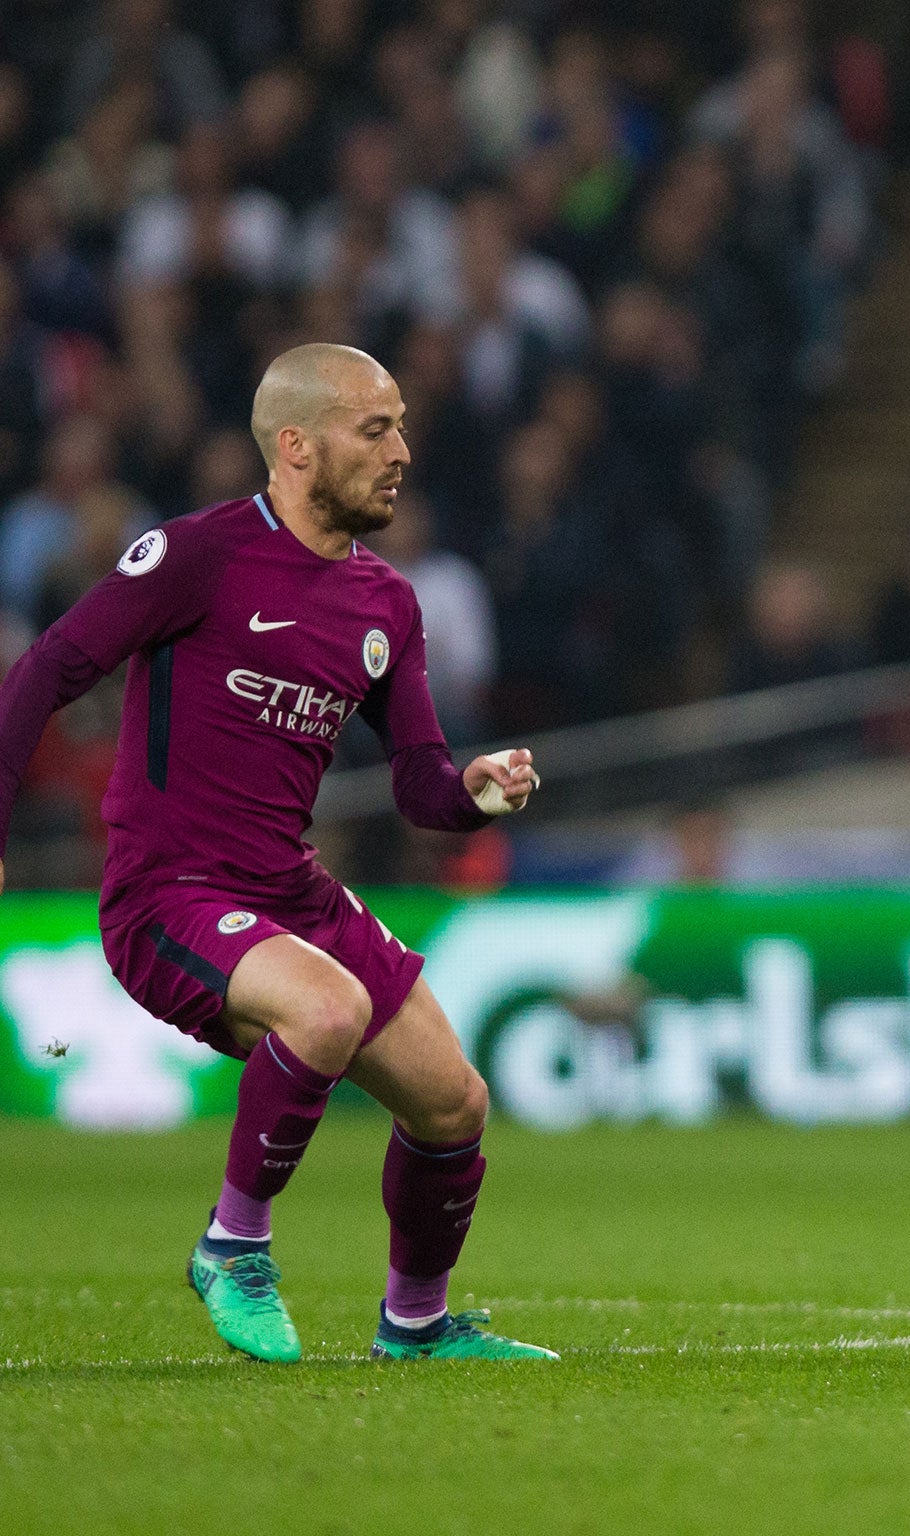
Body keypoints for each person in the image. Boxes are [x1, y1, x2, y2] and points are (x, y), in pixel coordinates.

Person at [0, 344, 554, 1365]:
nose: (402, 451)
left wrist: (474, 792)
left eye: (400, 426)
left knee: (454, 1102)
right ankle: (232, 1247)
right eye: (373, 428)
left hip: (287, 889)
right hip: (167, 894)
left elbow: (418, 781)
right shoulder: (195, 557)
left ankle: (416, 1328)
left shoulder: (385, 601)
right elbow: (44, 671)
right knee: (327, 1009)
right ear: (295, 447)